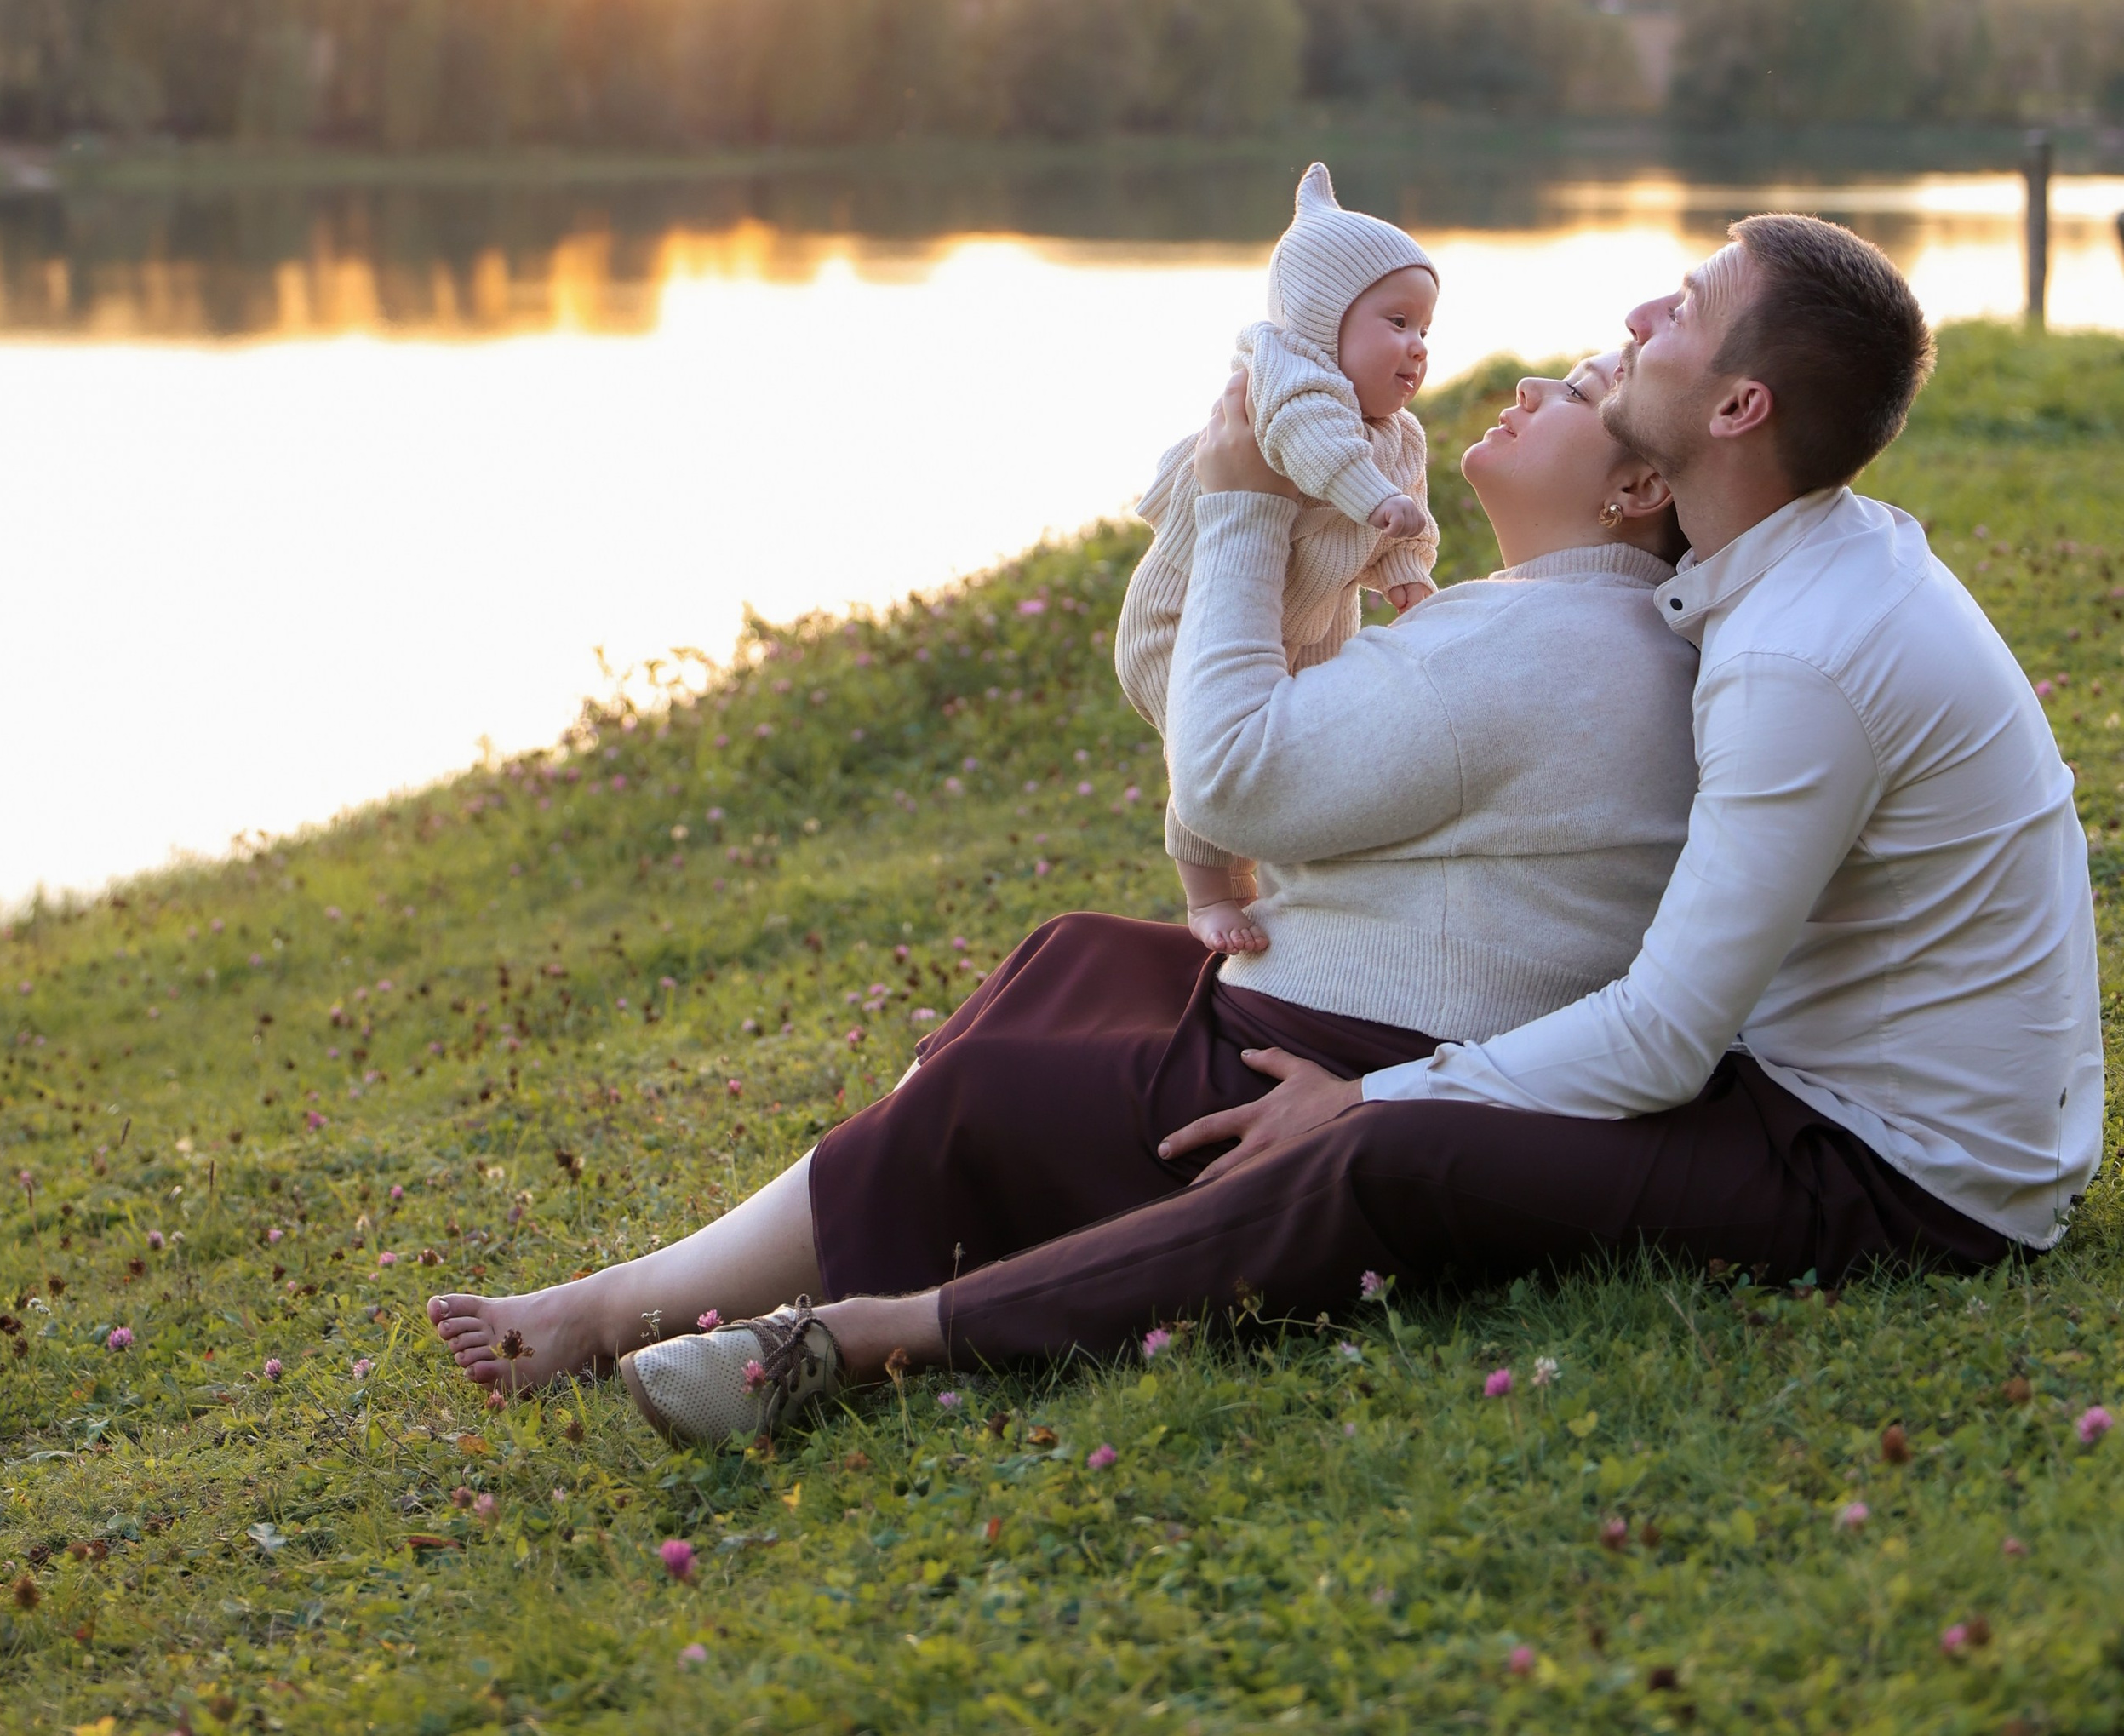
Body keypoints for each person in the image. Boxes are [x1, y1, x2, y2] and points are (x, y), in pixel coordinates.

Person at [432, 215, 2100, 1442]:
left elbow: (1663, 1035)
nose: (1640, 313)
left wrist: (1375, 1090)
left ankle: (877, 1339)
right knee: (1136, 996)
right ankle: (793, 1276)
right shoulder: (1775, 586)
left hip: (1894, 1174)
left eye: (1683, 310)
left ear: (1732, 416)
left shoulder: (1795, 650)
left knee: (1377, 1157)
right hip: (1807, 1088)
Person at [427, 339, 1697, 1437]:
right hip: (1379, 1009)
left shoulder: (1535, 645)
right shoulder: (1565, 620)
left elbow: (1227, 782)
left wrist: (1245, 504)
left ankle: (615, 1311)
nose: (1532, 382)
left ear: (1639, 484)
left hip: (1343, 1061)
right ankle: (784, 1249)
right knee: (1078, 955)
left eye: (1583, 389)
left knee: (993, 1091)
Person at [1116, 161, 1440, 954]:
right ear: (1324, 319)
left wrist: (1406, 574)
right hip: (1186, 615)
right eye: (1397, 322)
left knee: (1300, 746)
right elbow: (1311, 445)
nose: (1417, 347)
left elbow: (1411, 519)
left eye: (1426, 330)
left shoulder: (1399, 436)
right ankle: (1205, 897)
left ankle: (1274, 874)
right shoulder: (1286, 383)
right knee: (1212, 746)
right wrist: (1370, 500)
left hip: (1307, 616)